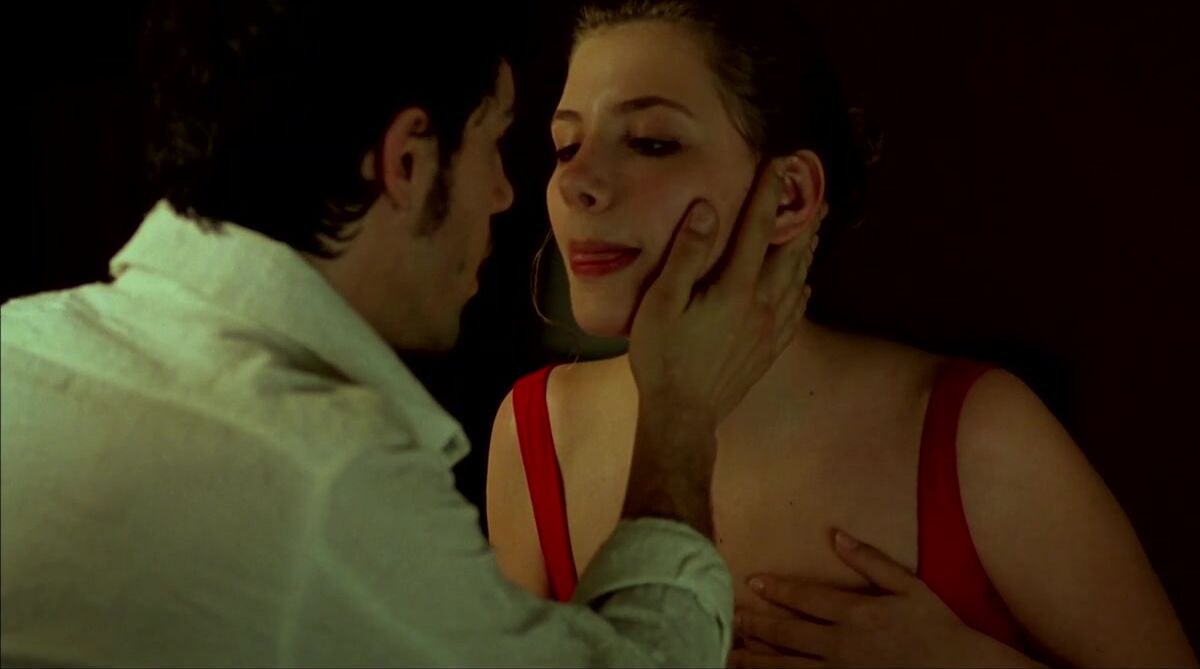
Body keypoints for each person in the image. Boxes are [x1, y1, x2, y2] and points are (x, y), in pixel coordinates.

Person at [0, 1, 815, 666]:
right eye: (503, 143)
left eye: (651, 141)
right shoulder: (330, 477)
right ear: (409, 162)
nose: (516, 193)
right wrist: (678, 418)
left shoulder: (20, 343)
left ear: (791, 195)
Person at [485, 1, 1198, 666]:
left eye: (651, 142)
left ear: (790, 195)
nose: (576, 183)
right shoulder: (536, 432)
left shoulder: (977, 433)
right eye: (566, 146)